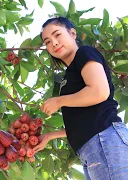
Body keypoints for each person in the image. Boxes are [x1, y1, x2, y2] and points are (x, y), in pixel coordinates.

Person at [33, 17, 128, 180]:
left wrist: (59, 101)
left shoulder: (84, 53)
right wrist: (50, 136)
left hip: (103, 140)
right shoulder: (68, 76)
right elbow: (85, 120)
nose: (54, 43)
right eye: (47, 42)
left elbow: (99, 92)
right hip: (92, 147)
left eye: (57, 35)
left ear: (73, 33)